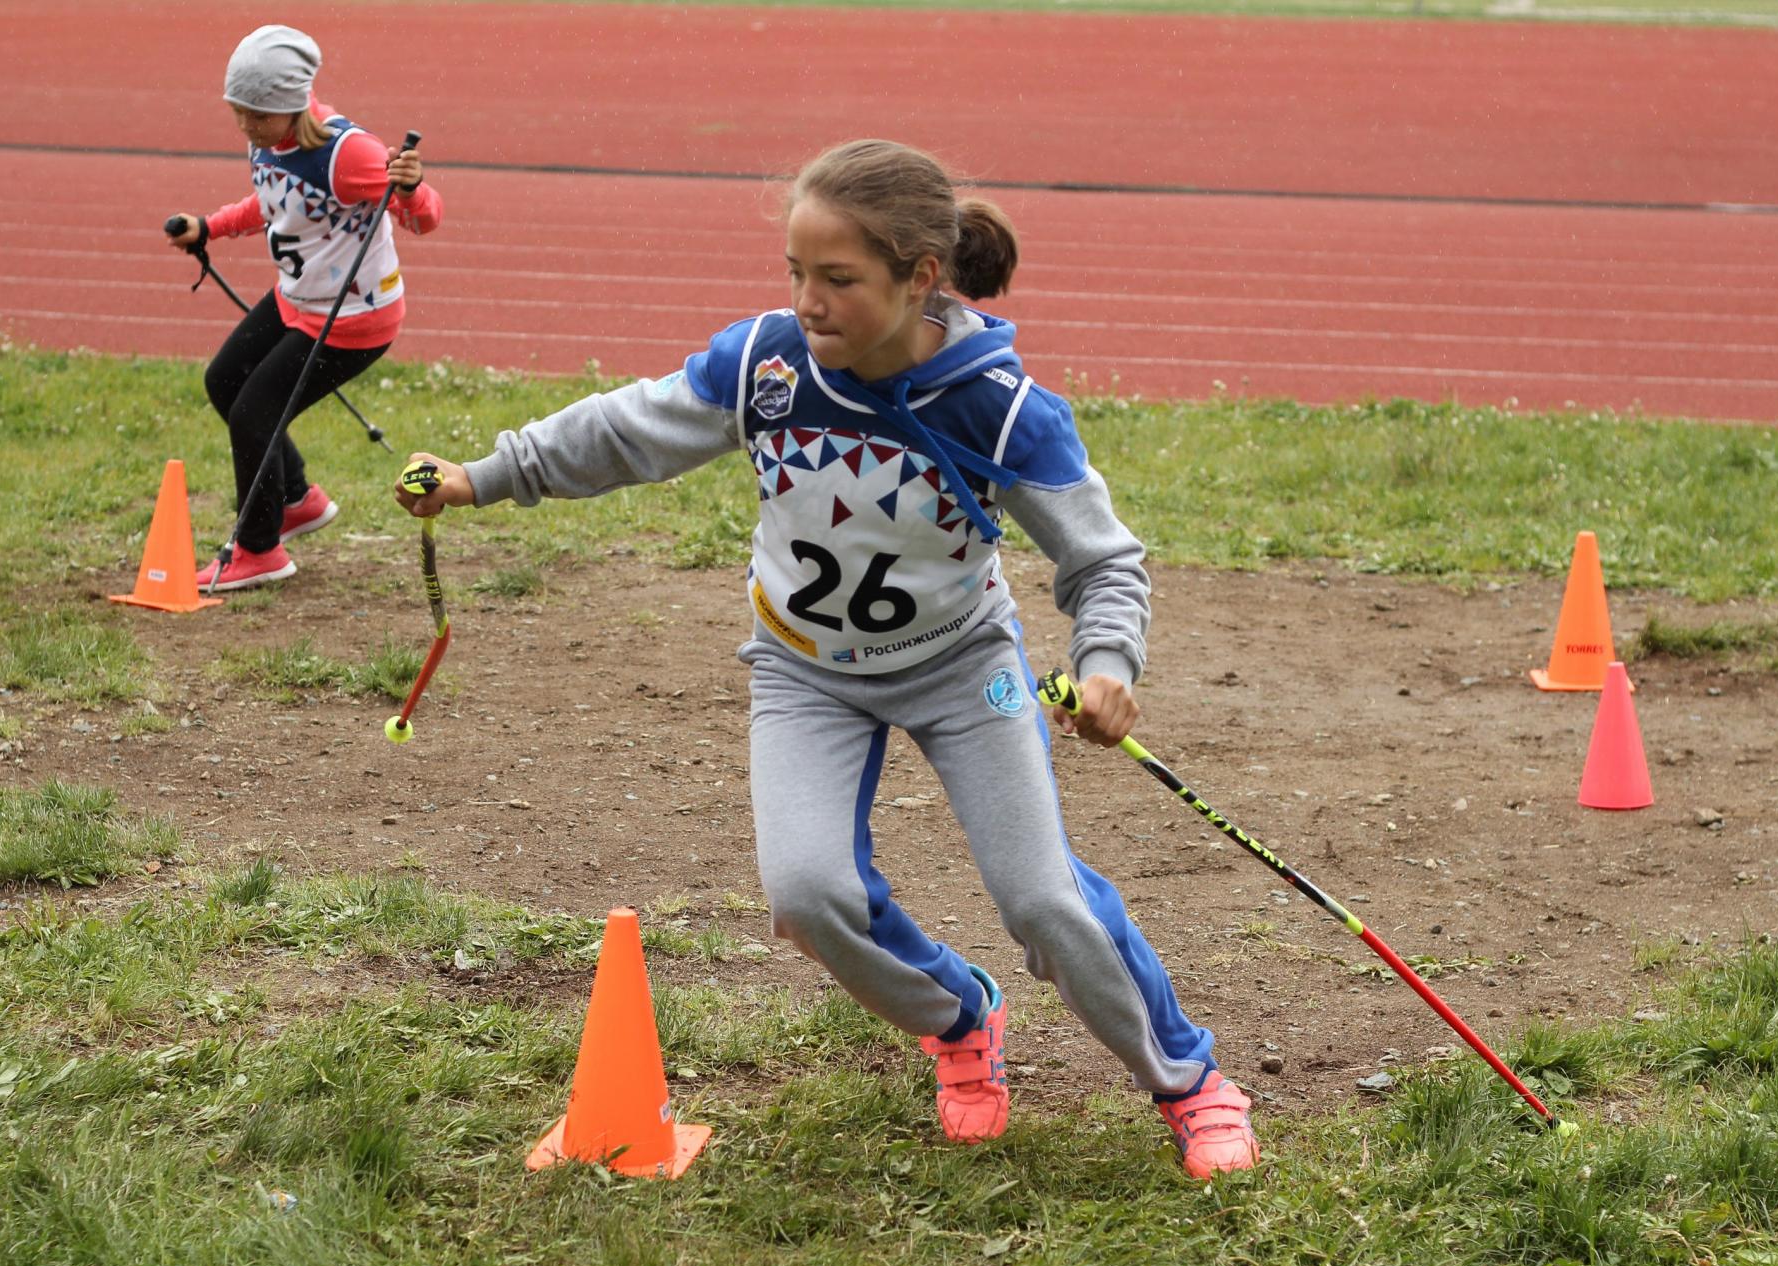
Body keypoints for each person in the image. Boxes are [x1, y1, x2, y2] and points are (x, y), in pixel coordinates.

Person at [393, 139, 1259, 1179]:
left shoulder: (1001, 408)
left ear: (919, 278)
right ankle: (958, 1015)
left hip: (960, 667)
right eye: (796, 274)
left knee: (1038, 899)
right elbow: (626, 431)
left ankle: (1188, 1084)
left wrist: (1107, 663)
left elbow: (1103, 562)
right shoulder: (765, 363)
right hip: (803, 670)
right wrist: (483, 477)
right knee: (805, 897)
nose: (808, 300)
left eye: (838, 279)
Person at [165, 24, 442, 591]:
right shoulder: (269, 140)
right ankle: (296, 500)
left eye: (258, 115)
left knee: (254, 414)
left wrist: (412, 188)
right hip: (298, 300)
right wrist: (209, 227)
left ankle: (259, 550)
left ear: (293, 106)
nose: (247, 127)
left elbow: (423, 218)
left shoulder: (349, 155)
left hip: (354, 320)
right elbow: (273, 203)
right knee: (224, 381)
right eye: (238, 113)